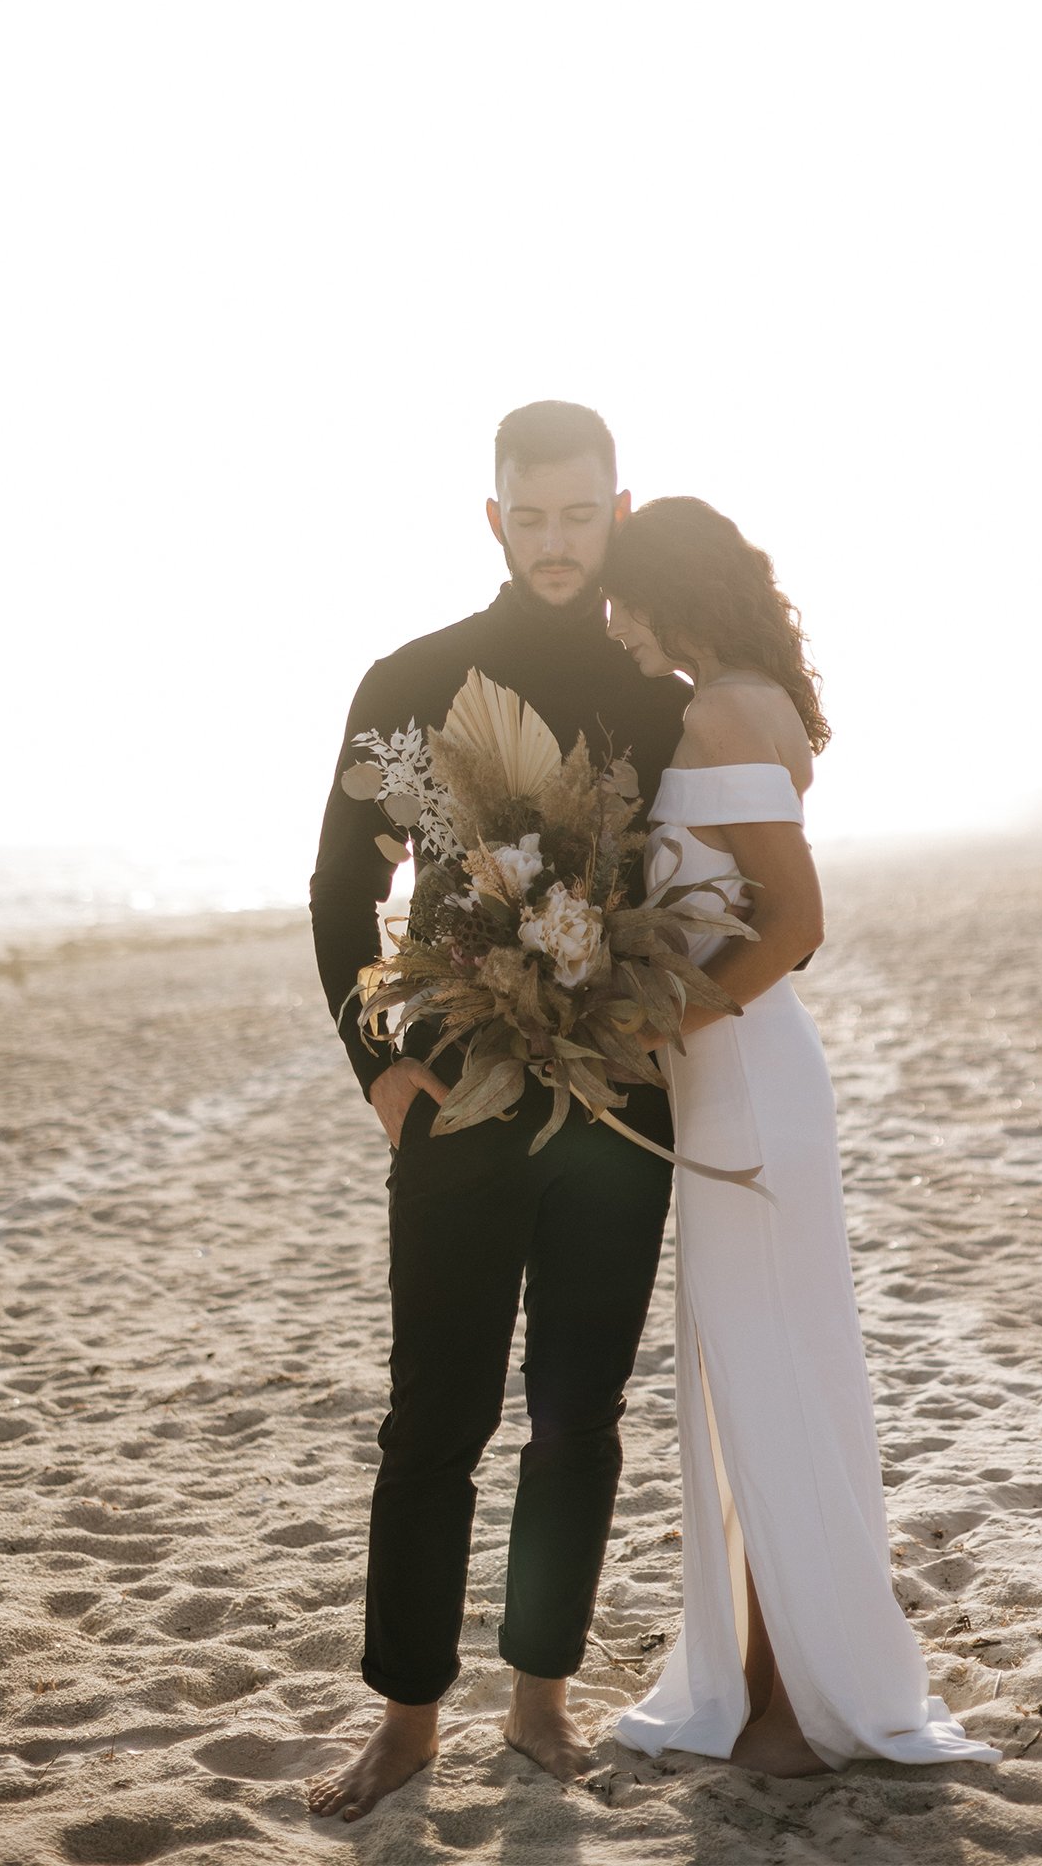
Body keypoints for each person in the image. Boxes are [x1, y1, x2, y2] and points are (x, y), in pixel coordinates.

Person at [306, 401, 688, 1822]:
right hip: (456, 1103)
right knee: (435, 1421)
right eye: (529, 516)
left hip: (619, 1110)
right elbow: (343, 892)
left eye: (579, 515)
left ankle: (539, 1700)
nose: (553, 542)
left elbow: (717, 878)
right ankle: (409, 1721)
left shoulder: (662, 693)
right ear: (492, 518)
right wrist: (383, 1076)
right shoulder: (408, 679)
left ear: (616, 512)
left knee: (579, 1415)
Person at [602, 497, 1001, 1773]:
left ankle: (792, 1710)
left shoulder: (718, 712)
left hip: (746, 1081)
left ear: (666, 589)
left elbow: (792, 923)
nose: (612, 619)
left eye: (624, 595)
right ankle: (774, 1677)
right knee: (766, 1380)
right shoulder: (754, 698)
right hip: (745, 1074)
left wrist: (657, 1014)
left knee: (768, 1386)